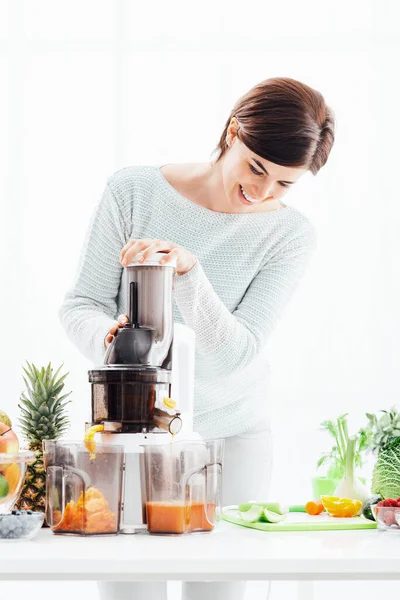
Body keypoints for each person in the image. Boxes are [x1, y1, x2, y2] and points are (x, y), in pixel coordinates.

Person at [59, 76, 335, 600]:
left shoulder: (289, 235)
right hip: (130, 436)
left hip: (231, 439)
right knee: (129, 590)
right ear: (233, 132)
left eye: (284, 184)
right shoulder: (133, 191)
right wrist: (109, 339)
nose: (262, 192)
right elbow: (82, 304)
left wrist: (189, 274)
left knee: (219, 590)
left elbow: (237, 353)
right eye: (257, 168)